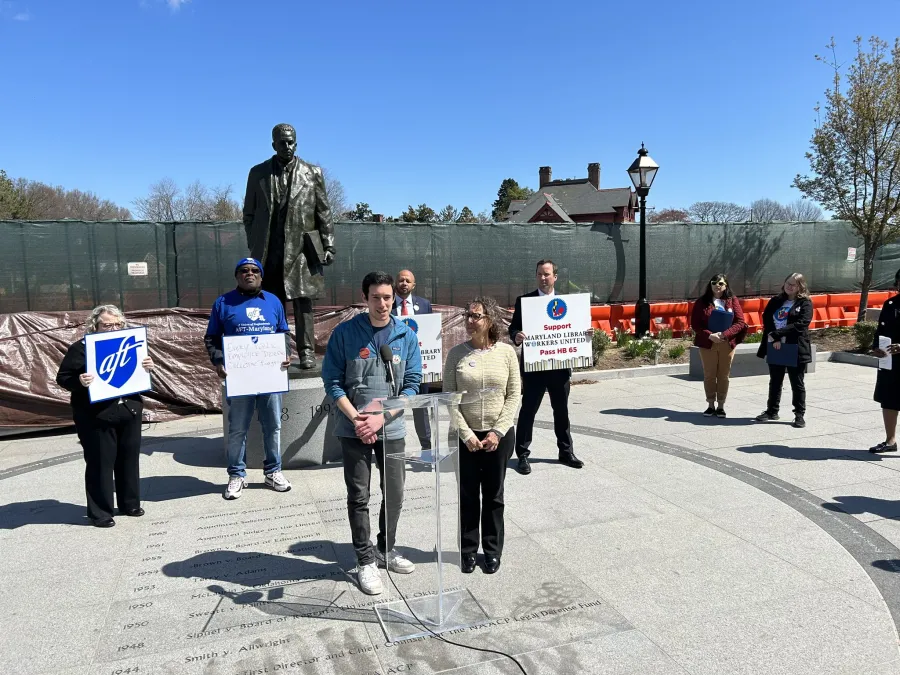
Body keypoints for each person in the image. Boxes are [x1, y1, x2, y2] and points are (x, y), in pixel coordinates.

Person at [321, 271, 423, 595]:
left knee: (394, 493)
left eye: (388, 297)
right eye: (376, 297)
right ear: (365, 298)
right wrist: (357, 420)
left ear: (395, 298)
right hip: (353, 431)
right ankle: (365, 560)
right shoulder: (345, 334)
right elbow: (333, 383)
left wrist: (382, 418)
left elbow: (412, 385)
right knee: (359, 496)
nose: (382, 304)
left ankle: (385, 548)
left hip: (390, 428)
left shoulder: (405, 336)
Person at [242, 123, 336, 369]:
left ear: (296, 142)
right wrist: (256, 242)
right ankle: (277, 352)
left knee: (304, 302)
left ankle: (306, 352)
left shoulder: (312, 172)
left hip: (303, 249)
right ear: (273, 144)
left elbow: (323, 212)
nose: (287, 146)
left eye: (291, 142)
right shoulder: (258, 173)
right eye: (282, 142)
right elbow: (248, 214)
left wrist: (328, 245)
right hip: (269, 249)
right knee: (272, 303)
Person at [55, 305, 154, 528]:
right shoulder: (81, 348)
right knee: (100, 463)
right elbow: (63, 378)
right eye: (107, 324)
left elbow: (137, 375)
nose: (113, 328)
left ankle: (130, 503)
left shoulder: (131, 343)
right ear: (95, 326)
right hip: (96, 415)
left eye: (118, 324)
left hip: (128, 409)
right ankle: (100, 512)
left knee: (129, 459)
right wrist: (79, 381)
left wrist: (148, 367)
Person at [443, 297, 520, 575]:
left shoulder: (507, 353)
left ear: (491, 320)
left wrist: (498, 431)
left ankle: (491, 551)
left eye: (476, 315)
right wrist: (465, 434)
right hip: (467, 438)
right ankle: (467, 551)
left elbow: (513, 395)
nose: (470, 320)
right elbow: (450, 399)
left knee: (493, 495)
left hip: (498, 437)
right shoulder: (455, 354)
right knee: (468, 495)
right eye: (468, 315)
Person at [205, 258, 293, 499]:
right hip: (240, 378)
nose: (249, 274)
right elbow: (211, 337)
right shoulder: (223, 303)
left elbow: (283, 332)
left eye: (255, 271)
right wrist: (219, 361)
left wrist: (286, 353)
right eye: (244, 271)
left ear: (261, 277)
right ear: (237, 276)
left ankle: (273, 471)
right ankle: (236, 475)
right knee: (237, 429)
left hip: (270, 378)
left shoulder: (273, 301)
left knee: (273, 426)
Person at [509, 259, 582, 475]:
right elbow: (513, 329)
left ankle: (566, 452)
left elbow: (575, 329)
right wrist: (517, 336)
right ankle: (522, 454)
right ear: (536, 276)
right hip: (534, 369)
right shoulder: (525, 302)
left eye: (547, 274)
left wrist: (585, 335)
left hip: (559, 368)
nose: (543, 278)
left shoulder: (567, 303)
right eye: (540, 274)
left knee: (561, 412)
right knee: (528, 412)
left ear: (555, 277)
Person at [755, 272, 813, 428]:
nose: (789, 286)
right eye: (788, 283)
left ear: (800, 286)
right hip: (775, 345)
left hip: (795, 348)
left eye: (793, 284)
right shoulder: (776, 301)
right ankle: (771, 410)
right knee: (775, 381)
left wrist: (778, 334)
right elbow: (767, 319)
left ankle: (799, 415)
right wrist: (774, 338)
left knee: (797, 383)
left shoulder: (805, 303)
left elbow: (802, 324)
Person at [690, 273, 748, 418]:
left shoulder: (732, 300)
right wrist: (710, 335)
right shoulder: (702, 302)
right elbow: (695, 325)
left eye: (721, 283)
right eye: (714, 282)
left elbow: (740, 322)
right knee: (709, 375)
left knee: (723, 375)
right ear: (710, 285)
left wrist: (724, 335)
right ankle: (710, 405)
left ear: (726, 285)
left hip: (726, 343)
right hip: (708, 342)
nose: (717, 285)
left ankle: (721, 405)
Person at [393, 269, 433, 453]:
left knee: (421, 407)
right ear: (395, 283)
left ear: (414, 285)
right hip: (393, 366)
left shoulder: (424, 305)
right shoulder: (388, 304)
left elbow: (430, 336)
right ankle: (392, 445)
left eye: (408, 281)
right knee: (393, 405)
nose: (404, 283)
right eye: (401, 280)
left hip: (418, 366)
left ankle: (426, 446)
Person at [870, 268, 900, 453]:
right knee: (889, 400)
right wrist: (876, 346)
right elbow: (880, 330)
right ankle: (890, 441)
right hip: (890, 361)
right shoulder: (890, 304)